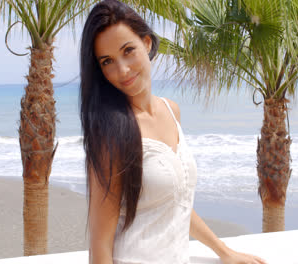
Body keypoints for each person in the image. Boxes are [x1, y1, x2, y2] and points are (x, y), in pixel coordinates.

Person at [79, 1, 268, 263]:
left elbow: (175, 203)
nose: (122, 70)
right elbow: (100, 245)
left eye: (128, 51)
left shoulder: (171, 110)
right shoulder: (110, 135)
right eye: (107, 61)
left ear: (146, 43)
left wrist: (224, 252)